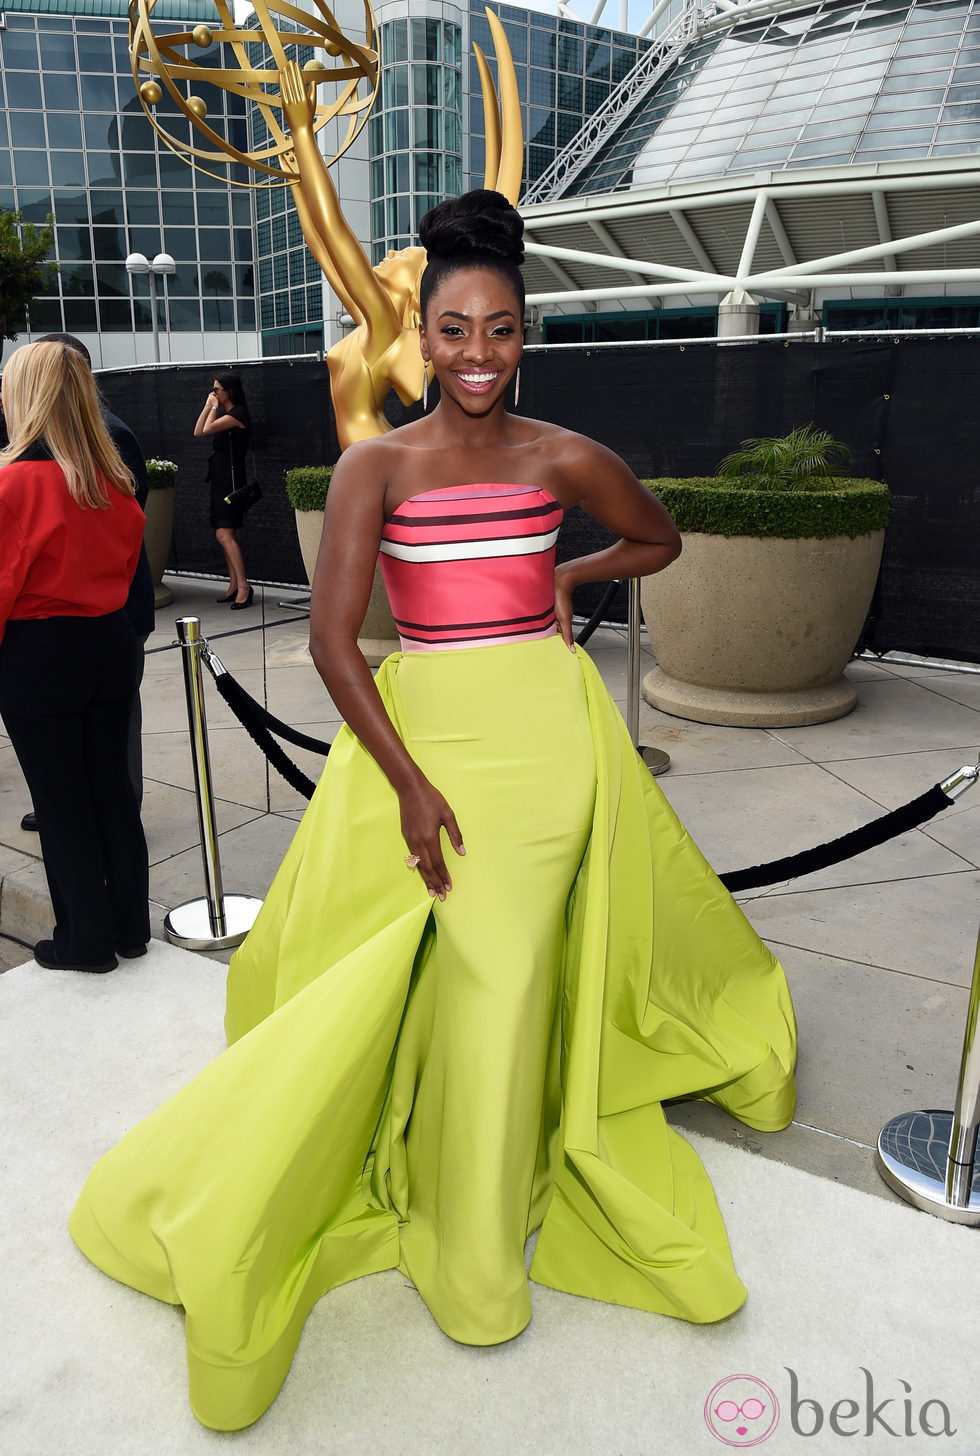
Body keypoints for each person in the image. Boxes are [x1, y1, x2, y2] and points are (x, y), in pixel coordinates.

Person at [70, 192, 797, 1430]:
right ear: (419, 332)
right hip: (423, 743)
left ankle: (477, 1252)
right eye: (453, 328)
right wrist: (409, 783)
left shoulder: (563, 457)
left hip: (544, 739)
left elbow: (658, 539)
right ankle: (444, 1209)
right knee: (442, 967)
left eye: (500, 330)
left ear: (525, 334)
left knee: (505, 969)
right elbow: (333, 640)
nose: (475, 354)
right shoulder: (376, 464)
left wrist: (565, 570)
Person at [0, 341, 150, 972]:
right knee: (111, 792)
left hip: (41, 654)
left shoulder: (14, 484)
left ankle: (85, 943)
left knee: (61, 803)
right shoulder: (112, 481)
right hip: (110, 645)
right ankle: (128, 930)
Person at [17, 334, 154, 834]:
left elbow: (119, 527)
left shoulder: (109, 436)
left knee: (114, 745)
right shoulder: (64, 441)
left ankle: (118, 804)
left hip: (104, 610)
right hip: (89, 616)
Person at [193, 371, 253, 609]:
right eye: (213, 389)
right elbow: (198, 431)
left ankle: (244, 586)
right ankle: (234, 584)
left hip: (231, 480)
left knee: (224, 533)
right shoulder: (225, 412)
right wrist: (209, 406)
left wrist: (214, 407)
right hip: (220, 478)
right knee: (224, 533)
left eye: (217, 389)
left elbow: (207, 430)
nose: (213, 393)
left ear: (229, 391)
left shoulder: (237, 414)